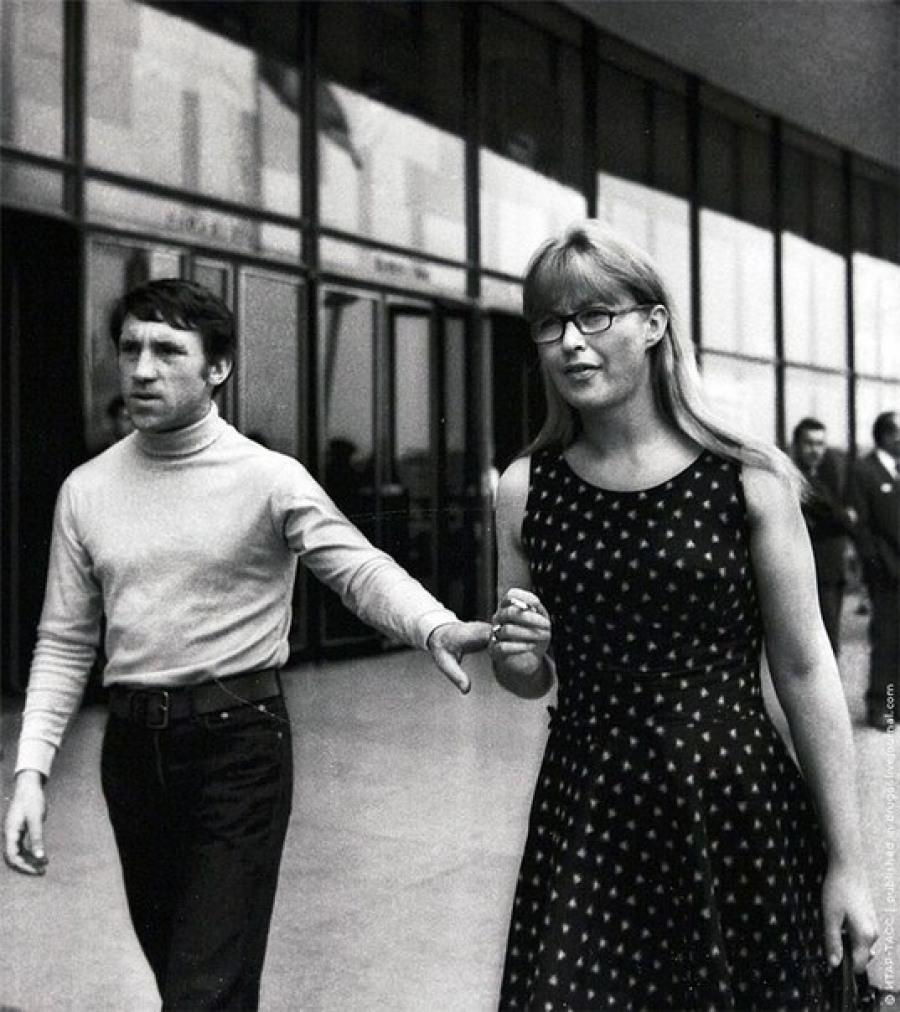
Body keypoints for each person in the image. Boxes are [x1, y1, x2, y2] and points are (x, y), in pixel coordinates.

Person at [3, 279, 490, 1011]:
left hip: (238, 749)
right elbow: (65, 641)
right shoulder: (86, 489)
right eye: (130, 349)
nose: (141, 370)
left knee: (203, 991)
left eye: (168, 351)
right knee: (188, 980)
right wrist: (31, 773)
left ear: (218, 368)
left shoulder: (268, 479)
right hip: (133, 757)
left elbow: (356, 568)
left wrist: (434, 624)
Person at [488, 221, 877, 1009]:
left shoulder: (748, 477)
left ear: (654, 323)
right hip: (589, 814)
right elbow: (525, 673)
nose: (570, 342)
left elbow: (806, 670)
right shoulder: (527, 487)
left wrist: (849, 862)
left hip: (735, 807)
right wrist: (517, 655)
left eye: (594, 316)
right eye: (551, 324)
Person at [847, 410, 900, 732]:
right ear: (885, 436)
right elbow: (861, 527)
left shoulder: (897, 470)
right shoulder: (864, 471)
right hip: (886, 575)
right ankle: (882, 706)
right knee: (886, 640)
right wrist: (876, 566)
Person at [790, 417, 856, 654]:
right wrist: (846, 516)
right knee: (821, 645)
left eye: (820, 444)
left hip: (832, 569)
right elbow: (842, 519)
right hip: (812, 571)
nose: (815, 450)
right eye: (809, 443)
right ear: (796, 445)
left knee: (830, 638)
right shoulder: (795, 478)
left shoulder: (827, 475)